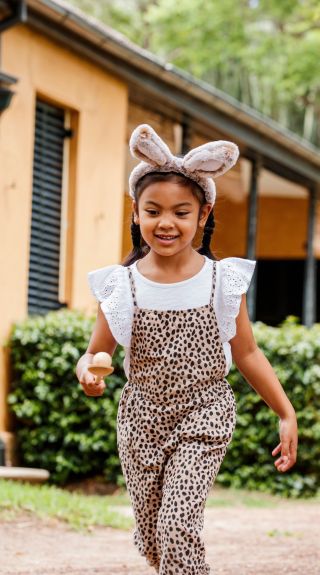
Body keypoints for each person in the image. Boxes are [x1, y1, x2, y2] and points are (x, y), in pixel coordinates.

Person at [75, 124, 298, 575]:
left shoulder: (221, 281)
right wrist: (88, 374)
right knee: (156, 537)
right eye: (153, 210)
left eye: (181, 212)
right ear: (135, 214)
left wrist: (285, 412)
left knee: (177, 526)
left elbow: (247, 353)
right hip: (141, 420)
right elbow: (96, 353)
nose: (166, 223)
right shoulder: (120, 286)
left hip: (205, 412)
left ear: (203, 214)